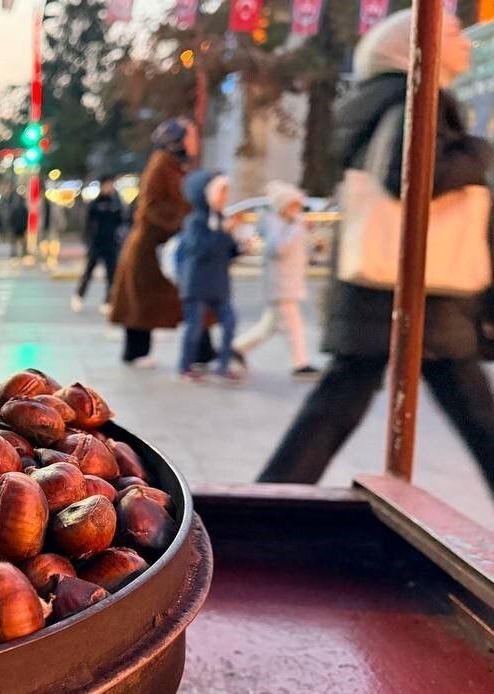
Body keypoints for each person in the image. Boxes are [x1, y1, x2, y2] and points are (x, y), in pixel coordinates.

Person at [259, 10, 494, 493]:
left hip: (383, 285)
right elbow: (411, 175)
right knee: (476, 414)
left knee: (337, 403)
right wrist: (481, 151)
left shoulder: (380, 98)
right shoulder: (416, 96)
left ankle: (270, 499)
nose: (466, 44)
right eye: (452, 34)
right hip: (417, 287)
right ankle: (268, 502)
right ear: (410, 48)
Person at [109, 118, 197, 367]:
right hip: (149, 247)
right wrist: (181, 221)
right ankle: (135, 351)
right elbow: (150, 207)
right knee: (140, 303)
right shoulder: (161, 165)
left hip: (159, 245)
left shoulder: (174, 166)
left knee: (160, 301)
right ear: (176, 141)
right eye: (190, 136)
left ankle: (202, 349)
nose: (194, 141)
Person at [232, 181, 321, 379]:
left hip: (290, 282)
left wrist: (311, 244)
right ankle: (301, 363)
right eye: (294, 205)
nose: (298, 210)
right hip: (281, 284)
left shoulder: (291, 224)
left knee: (270, 325)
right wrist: (298, 229)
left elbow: (300, 251)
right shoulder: (274, 223)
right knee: (294, 326)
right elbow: (277, 249)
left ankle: (237, 348)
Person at [176, 171, 243, 384]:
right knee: (194, 327)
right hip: (196, 284)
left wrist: (240, 246)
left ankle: (223, 366)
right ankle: (185, 366)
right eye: (221, 191)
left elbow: (227, 251)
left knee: (230, 323)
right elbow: (199, 249)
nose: (225, 196)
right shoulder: (195, 221)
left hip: (218, 284)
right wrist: (221, 232)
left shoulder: (221, 218)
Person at [74, 175, 124, 314]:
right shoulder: (95, 204)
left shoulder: (117, 203)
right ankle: (79, 295)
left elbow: (122, 221)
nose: (109, 188)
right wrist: (88, 241)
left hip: (111, 243)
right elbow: (88, 224)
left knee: (111, 275)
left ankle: (108, 301)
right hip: (96, 243)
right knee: (88, 272)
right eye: (107, 185)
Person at [6, 194, 30, 260]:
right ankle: (23, 253)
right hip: (22, 227)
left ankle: (14, 253)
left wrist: (11, 226)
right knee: (22, 242)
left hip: (15, 228)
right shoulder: (24, 208)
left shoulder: (14, 208)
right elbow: (27, 219)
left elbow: (10, 218)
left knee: (15, 242)